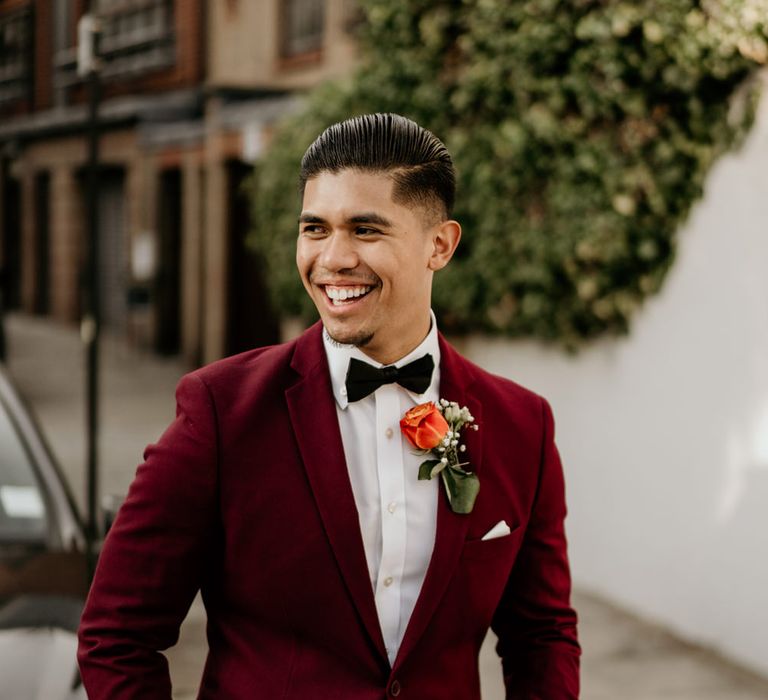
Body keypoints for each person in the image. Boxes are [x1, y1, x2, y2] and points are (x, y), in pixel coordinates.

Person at [78, 113, 580, 699]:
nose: (332, 258)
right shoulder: (218, 412)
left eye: (366, 230)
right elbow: (116, 634)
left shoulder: (523, 425)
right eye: (315, 229)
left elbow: (541, 635)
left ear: (439, 245)